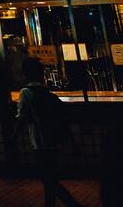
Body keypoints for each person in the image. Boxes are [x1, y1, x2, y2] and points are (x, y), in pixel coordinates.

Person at [15, 57, 82, 207]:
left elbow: (21, 118)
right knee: (50, 179)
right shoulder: (48, 93)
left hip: (40, 142)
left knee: (48, 180)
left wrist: (13, 137)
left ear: (26, 74)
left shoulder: (25, 92)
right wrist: (72, 142)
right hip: (54, 141)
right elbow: (62, 118)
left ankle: (74, 204)